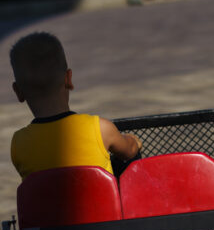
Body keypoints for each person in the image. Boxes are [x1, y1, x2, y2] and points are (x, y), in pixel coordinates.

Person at [9, 32, 141, 179]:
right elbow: (129, 151)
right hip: (103, 202)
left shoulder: (18, 143)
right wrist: (132, 141)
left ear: (18, 92)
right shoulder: (100, 128)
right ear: (68, 79)